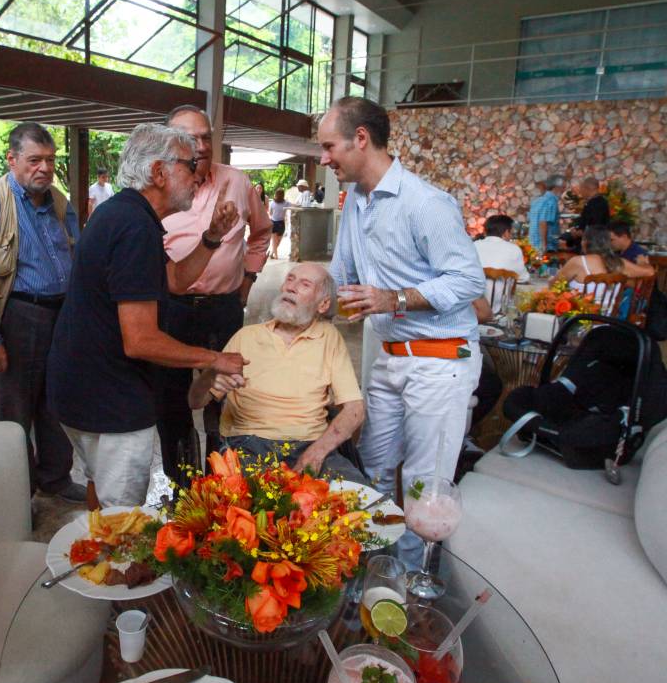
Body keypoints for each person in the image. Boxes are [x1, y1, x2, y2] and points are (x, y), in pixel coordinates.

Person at [322, 96, 485, 566]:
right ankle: (375, 567)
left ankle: (409, 582)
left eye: (329, 146)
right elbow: (341, 273)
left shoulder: (426, 202)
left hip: (440, 360)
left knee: (421, 482)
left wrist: (394, 299)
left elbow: (469, 281)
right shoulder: (355, 201)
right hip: (390, 356)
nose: (323, 158)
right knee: (372, 469)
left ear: (361, 138)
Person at [46, 123, 243, 508]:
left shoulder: (123, 213)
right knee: (122, 518)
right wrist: (213, 359)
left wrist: (212, 238)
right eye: (190, 165)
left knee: (99, 490)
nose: (197, 176)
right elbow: (140, 341)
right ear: (158, 172)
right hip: (109, 398)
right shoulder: (134, 226)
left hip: (79, 388)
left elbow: (174, 280)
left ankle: (95, 542)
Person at [0, 122, 86, 503]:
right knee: (15, 411)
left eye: (50, 160)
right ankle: (17, 494)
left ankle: (56, 478)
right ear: (12, 160)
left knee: (56, 399)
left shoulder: (58, 201)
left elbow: (76, 256)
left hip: (60, 315)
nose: (44, 168)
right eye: (34, 160)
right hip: (19, 316)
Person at [158, 104, 270, 484]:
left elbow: (261, 233)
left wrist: (248, 279)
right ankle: (182, 484)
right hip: (172, 309)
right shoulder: (160, 185)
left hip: (223, 308)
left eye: (207, 137)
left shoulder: (237, 182)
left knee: (223, 398)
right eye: (191, 139)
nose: (203, 146)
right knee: (172, 401)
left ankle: (220, 485)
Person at [188, 263, 366, 481]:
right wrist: (209, 376)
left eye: (305, 284)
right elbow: (195, 402)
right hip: (249, 444)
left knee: (361, 496)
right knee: (254, 499)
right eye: (290, 279)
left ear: (323, 304)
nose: (291, 287)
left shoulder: (329, 338)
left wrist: (317, 452)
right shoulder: (247, 336)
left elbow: (354, 410)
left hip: (310, 444)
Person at [553, 225, 653, 304]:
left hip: (582, 318)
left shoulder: (578, 262)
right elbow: (650, 272)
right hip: (610, 319)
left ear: (585, 242)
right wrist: (643, 263)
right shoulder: (618, 262)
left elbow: (553, 285)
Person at [474, 214, 529, 313]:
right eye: (511, 232)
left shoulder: (473, 245)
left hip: (472, 308)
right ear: (506, 232)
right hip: (499, 311)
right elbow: (523, 278)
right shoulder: (514, 249)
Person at [528, 174, 563, 253]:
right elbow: (543, 222)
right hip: (547, 246)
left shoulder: (536, 201)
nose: (564, 190)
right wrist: (544, 245)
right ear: (556, 187)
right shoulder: (551, 201)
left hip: (533, 244)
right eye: (563, 187)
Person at [268, 188, 291, 260]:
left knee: (278, 240)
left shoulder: (285, 202)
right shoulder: (272, 203)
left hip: (280, 223)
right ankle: (276, 256)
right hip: (274, 222)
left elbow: (270, 213)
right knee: (275, 241)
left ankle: (272, 253)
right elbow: (270, 213)